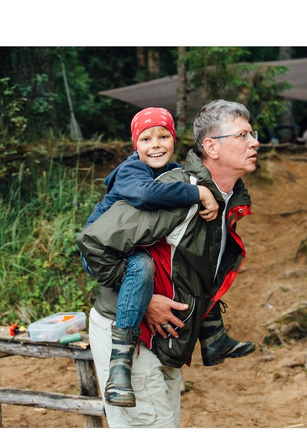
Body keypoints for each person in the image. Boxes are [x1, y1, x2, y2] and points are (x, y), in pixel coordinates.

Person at [76, 98, 261, 428]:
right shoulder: (174, 192)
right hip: (133, 335)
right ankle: (119, 366)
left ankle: (214, 338)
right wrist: (144, 300)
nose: (255, 142)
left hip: (166, 339)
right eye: (243, 135)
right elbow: (94, 242)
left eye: (253, 134)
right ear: (211, 147)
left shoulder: (227, 198)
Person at [83, 107, 222, 409]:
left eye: (163, 136)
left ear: (174, 138)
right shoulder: (131, 170)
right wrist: (197, 193)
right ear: (135, 145)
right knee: (142, 266)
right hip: (103, 248)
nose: (155, 144)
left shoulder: (170, 170)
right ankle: (120, 365)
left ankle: (212, 330)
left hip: (132, 243)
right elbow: (146, 196)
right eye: (146, 139)